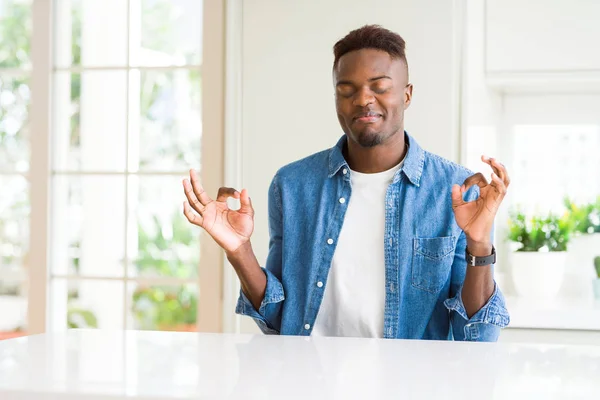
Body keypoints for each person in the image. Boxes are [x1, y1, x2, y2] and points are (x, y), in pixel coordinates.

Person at [182, 25, 510, 341]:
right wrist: (240, 251)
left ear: (407, 95)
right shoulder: (292, 186)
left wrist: (479, 246)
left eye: (379, 86)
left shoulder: (456, 190)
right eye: (346, 90)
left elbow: (477, 336)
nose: (363, 100)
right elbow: (279, 317)